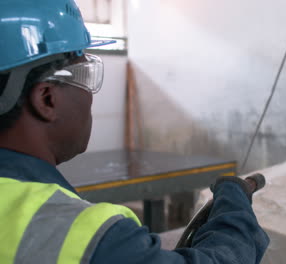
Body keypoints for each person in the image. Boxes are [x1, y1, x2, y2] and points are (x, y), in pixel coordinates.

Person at [0, 0, 270, 263]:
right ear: (47, 98)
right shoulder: (87, 238)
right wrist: (235, 210)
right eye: (86, 75)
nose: (91, 96)